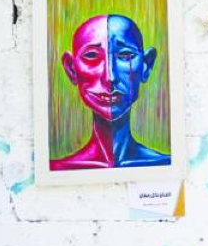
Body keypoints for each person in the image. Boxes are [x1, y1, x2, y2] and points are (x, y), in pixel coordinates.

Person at [50, 13, 170, 170]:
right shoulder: (57, 170)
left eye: (125, 55)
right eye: (91, 55)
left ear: (146, 65)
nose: (110, 76)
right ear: (71, 69)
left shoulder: (166, 165)